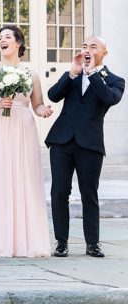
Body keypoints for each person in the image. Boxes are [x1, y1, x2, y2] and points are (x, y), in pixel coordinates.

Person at [0, 24, 52, 258]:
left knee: (24, 177)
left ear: (18, 43)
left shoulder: (30, 74)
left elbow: (36, 103)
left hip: (23, 126)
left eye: (7, 37)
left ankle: (25, 242)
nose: (2, 40)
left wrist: (43, 110)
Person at [47, 35, 125, 259]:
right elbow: (53, 95)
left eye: (93, 46)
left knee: (88, 194)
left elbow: (110, 98)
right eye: (84, 46)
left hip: (90, 144)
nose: (87, 50)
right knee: (59, 191)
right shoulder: (73, 74)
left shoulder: (114, 80)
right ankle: (61, 242)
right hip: (62, 141)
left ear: (104, 53)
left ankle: (93, 243)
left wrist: (91, 73)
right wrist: (72, 73)